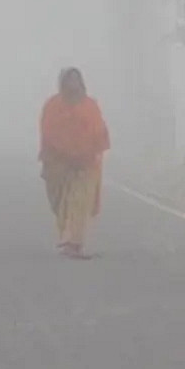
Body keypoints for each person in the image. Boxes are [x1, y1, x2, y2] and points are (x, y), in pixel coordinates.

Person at [39, 68, 111, 260]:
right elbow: (47, 131)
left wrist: (88, 151)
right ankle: (68, 236)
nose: (73, 84)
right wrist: (59, 153)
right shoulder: (53, 105)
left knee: (79, 201)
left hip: (85, 163)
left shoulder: (90, 106)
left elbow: (99, 131)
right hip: (58, 161)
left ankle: (74, 242)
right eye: (69, 80)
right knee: (59, 201)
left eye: (76, 80)